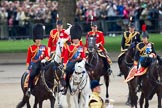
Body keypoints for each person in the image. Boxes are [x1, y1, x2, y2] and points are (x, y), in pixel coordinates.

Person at [25, 23, 50, 97]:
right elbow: (28, 59)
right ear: (34, 39)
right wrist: (27, 68)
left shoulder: (44, 47)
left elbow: (48, 56)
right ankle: (29, 88)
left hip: (42, 63)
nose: (38, 40)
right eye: (37, 39)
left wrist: (45, 59)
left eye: (39, 39)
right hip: (34, 64)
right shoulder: (31, 48)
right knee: (32, 75)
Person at [61, 24, 86, 94]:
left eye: (76, 39)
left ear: (79, 38)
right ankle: (65, 87)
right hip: (71, 63)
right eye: (74, 39)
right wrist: (65, 64)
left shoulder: (81, 47)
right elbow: (65, 57)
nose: (75, 40)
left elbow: (83, 56)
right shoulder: (69, 47)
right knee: (67, 72)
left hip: (80, 63)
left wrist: (84, 60)